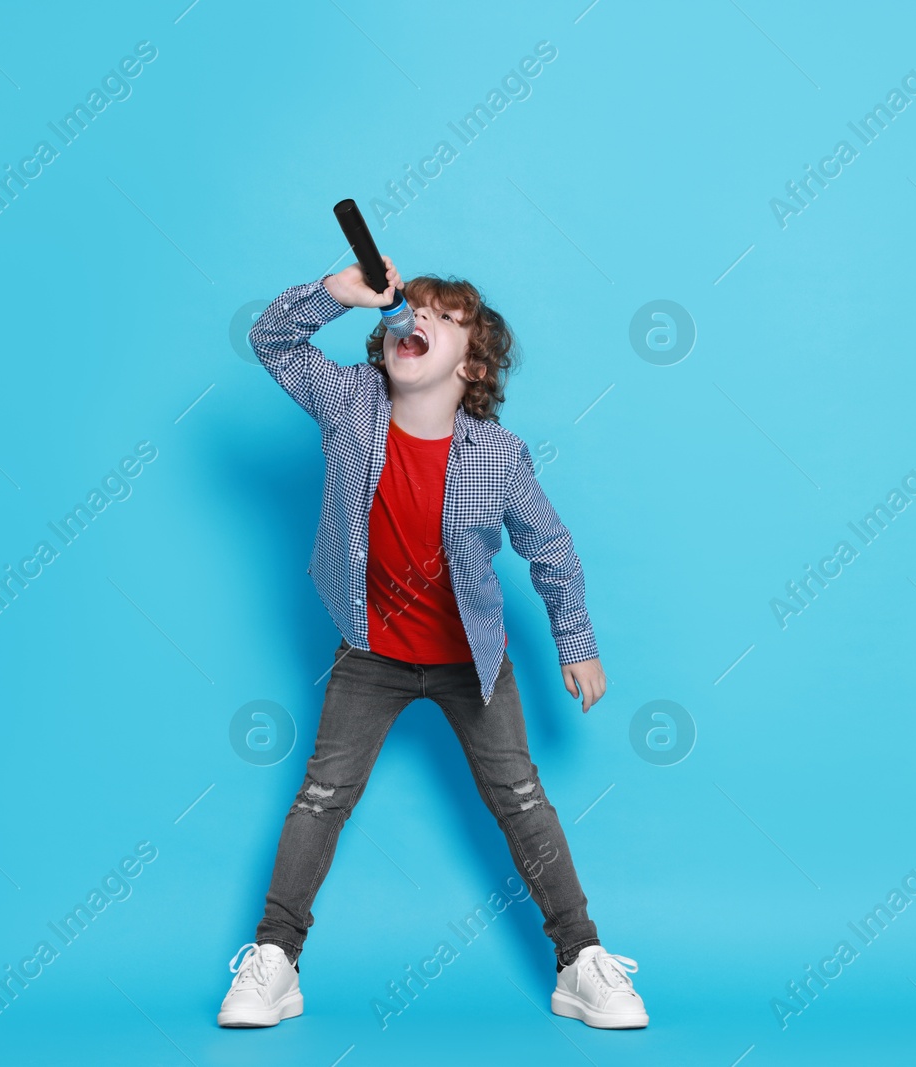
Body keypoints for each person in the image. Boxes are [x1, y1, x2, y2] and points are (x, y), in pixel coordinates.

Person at [217, 257, 647, 1030]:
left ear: (472, 363)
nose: (416, 320)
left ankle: (581, 959)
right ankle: (275, 959)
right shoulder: (350, 404)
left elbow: (552, 549)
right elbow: (272, 342)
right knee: (321, 796)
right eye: (410, 310)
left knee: (520, 799)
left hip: (471, 666)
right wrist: (335, 294)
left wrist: (575, 642)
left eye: (443, 319)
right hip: (371, 656)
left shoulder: (499, 456)